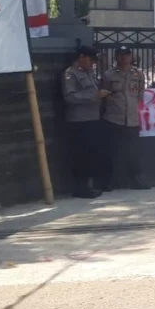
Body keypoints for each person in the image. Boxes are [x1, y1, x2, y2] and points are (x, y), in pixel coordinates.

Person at [99, 46, 150, 191]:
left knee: (133, 151)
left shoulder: (138, 74)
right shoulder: (108, 75)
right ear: (116, 57)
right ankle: (107, 181)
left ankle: (136, 179)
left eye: (126, 55)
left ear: (131, 56)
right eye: (121, 55)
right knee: (111, 152)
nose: (124, 58)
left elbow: (140, 95)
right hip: (113, 118)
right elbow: (104, 95)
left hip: (132, 119)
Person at [63, 46, 111, 199]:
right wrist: (95, 96)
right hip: (79, 120)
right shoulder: (70, 74)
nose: (92, 63)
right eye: (90, 59)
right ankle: (80, 187)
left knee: (91, 154)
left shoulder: (89, 73)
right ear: (81, 57)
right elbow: (70, 97)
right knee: (81, 155)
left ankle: (88, 185)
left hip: (92, 118)